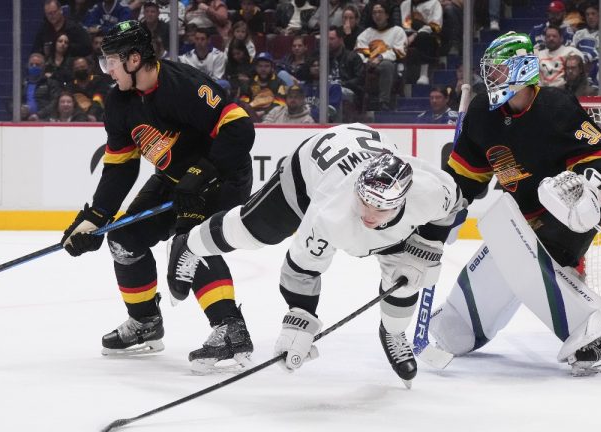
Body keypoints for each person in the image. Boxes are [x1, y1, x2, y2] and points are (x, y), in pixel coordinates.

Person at [166, 124, 467, 386]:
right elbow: (300, 269)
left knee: (407, 275)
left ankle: (393, 333)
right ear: (358, 189)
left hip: (365, 154)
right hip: (309, 171)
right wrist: (299, 319)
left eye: (381, 207)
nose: (369, 215)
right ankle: (189, 244)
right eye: (365, 201)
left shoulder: (429, 193)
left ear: (403, 199)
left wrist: (429, 246)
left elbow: (453, 207)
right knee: (253, 230)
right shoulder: (332, 213)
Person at [60, 20, 256, 374]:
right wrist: (95, 219)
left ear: (134, 59)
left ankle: (230, 329)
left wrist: (201, 174)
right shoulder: (119, 103)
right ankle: (146, 322)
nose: (107, 72)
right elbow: (120, 168)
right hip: (173, 179)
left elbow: (239, 128)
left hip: (222, 177)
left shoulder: (183, 85)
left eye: (112, 63)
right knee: (123, 240)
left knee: (190, 244)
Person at [428, 32, 601, 376]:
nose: (491, 78)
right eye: (490, 71)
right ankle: (463, 322)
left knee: (527, 262)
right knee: (457, 322)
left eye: (499, 70)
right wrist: (443, 208)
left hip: (567, 211)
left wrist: (584, 190)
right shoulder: (482, 112)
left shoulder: (556, 106)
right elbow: (466, 176)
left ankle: (595, 336)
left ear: (522, 69)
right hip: (519, 218)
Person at [355, 2, 407, 111]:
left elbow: (400, 51)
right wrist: (368, 60)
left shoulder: (397, 31)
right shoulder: (367, 33)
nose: (377, 15)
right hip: (368, 65)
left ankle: (384, 102)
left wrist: (380, 57)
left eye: (380, 12)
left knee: (387, 65)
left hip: (390, 66)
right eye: (374, 13)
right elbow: (360, 50)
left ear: (387, 15)